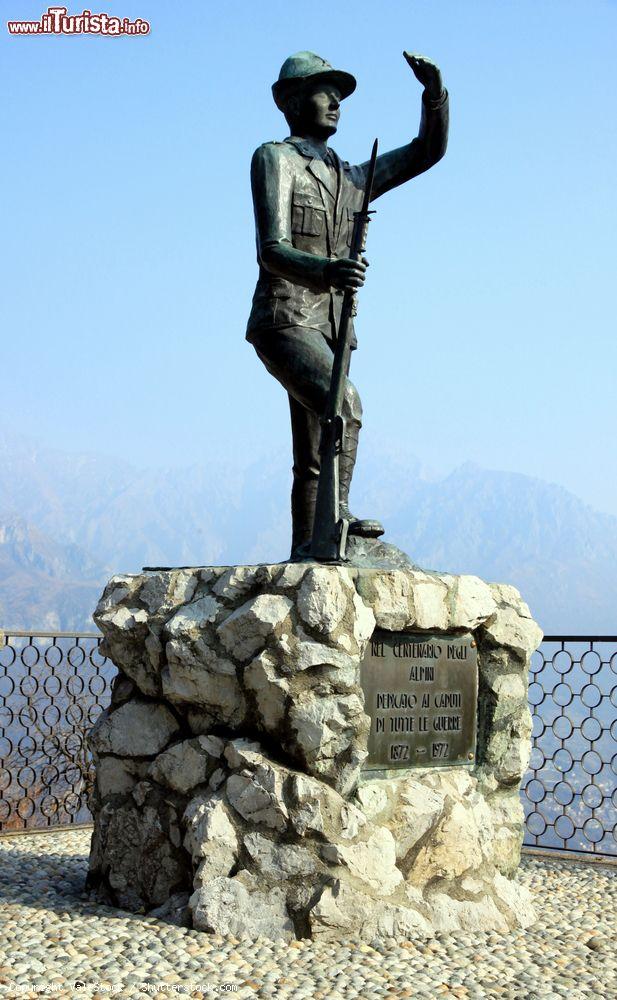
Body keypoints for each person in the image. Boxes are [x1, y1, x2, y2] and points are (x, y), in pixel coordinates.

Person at [247, 50, 449, 560]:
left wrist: (434, 96)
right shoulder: (275, 158)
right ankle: (335, 521)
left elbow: (427, 150)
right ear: (291, 101)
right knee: (344, 406)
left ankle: (309, 545)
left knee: (313, 451)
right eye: (324, 90)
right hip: (285, 316)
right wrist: (327, 271)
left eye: (339, 93)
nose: (336, 101)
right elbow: (271, 250)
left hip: (334, 326)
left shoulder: (352, 177)